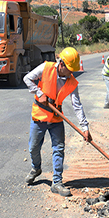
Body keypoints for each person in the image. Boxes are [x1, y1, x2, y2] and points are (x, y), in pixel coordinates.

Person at [23, 47, 92, 196]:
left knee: (59, 149)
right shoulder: (46, 67)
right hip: (39, 116)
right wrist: (39, 93)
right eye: (70, 69)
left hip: (56, 118)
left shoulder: (72, 82)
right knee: (33, 147)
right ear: (61, 64)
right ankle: (36, 168)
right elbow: (27, 78)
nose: (72, 73)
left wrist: (85, 127)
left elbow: (77, 105)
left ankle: (57, 182)